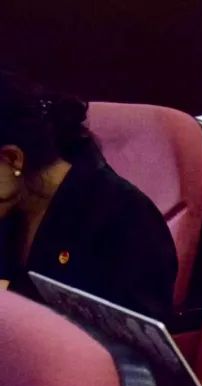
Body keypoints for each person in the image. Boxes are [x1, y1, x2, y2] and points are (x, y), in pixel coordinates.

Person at [0, 71, 177, 322]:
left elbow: (132, 339)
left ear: (12, 159)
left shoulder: (123, 216)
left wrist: (16, 301)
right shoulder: (12, 208)